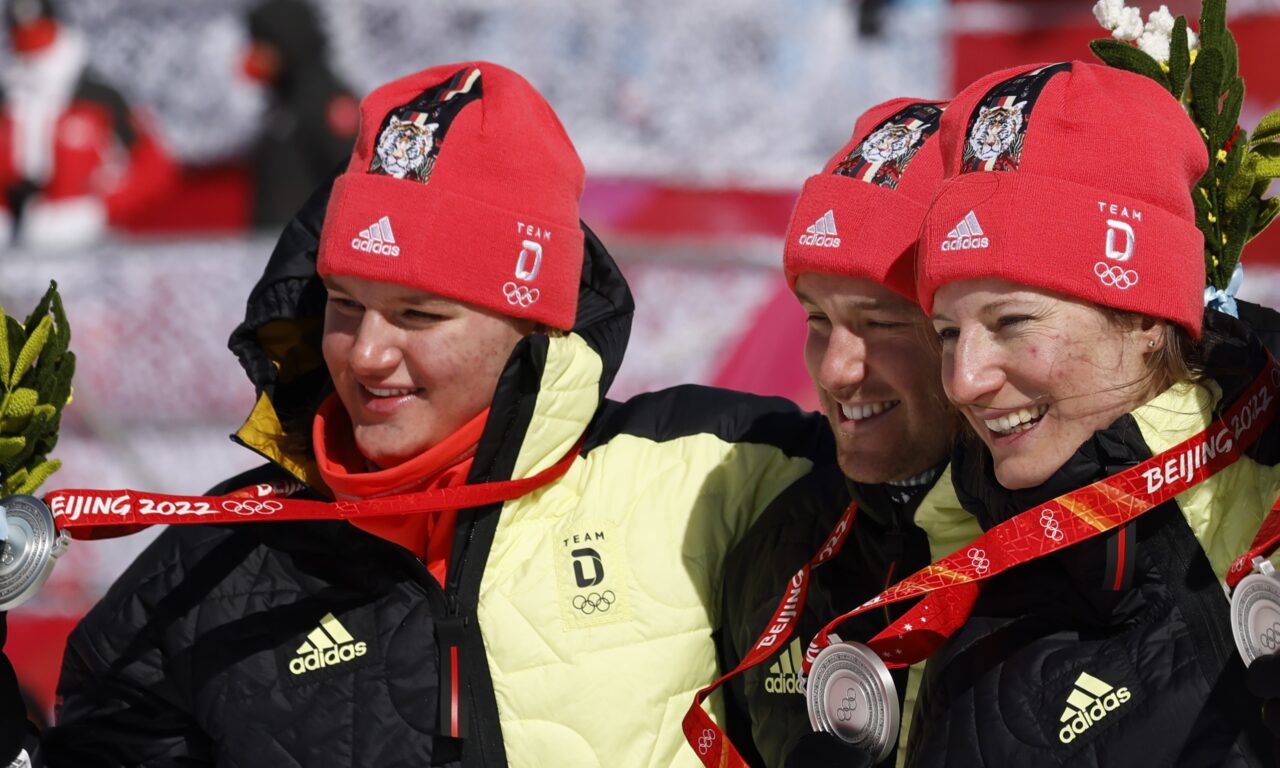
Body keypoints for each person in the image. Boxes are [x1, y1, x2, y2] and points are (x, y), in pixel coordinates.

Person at [0, 62, 835, 767]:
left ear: (530, 321)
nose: (365, 354)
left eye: (418, 316)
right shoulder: (216, 562)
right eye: (345, 305)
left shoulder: (718, 470)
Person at [907, 60, 1280, 765]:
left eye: (1012, 320)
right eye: (948, 332)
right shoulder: (949, 545)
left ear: (1143, 317)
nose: (963, 380)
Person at [718, 99, 982, 768]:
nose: (836, 370)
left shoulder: (1075, 541)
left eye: (882, 323)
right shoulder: (777, 554)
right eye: (816, 320)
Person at [0, 0, 174, 249]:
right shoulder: (7, 100)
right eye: (23, 41)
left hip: (91, 247)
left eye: (39, 40)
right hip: (14, 250)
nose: (32, 55)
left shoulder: (98, 98)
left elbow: (155, 165)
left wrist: (100, 209)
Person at [242, 0, 358, 229]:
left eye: (261, 44)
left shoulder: (329, 102)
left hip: (309, 252)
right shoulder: (283, 104)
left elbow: (353, 179)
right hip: (275, 248)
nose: (253, 55)